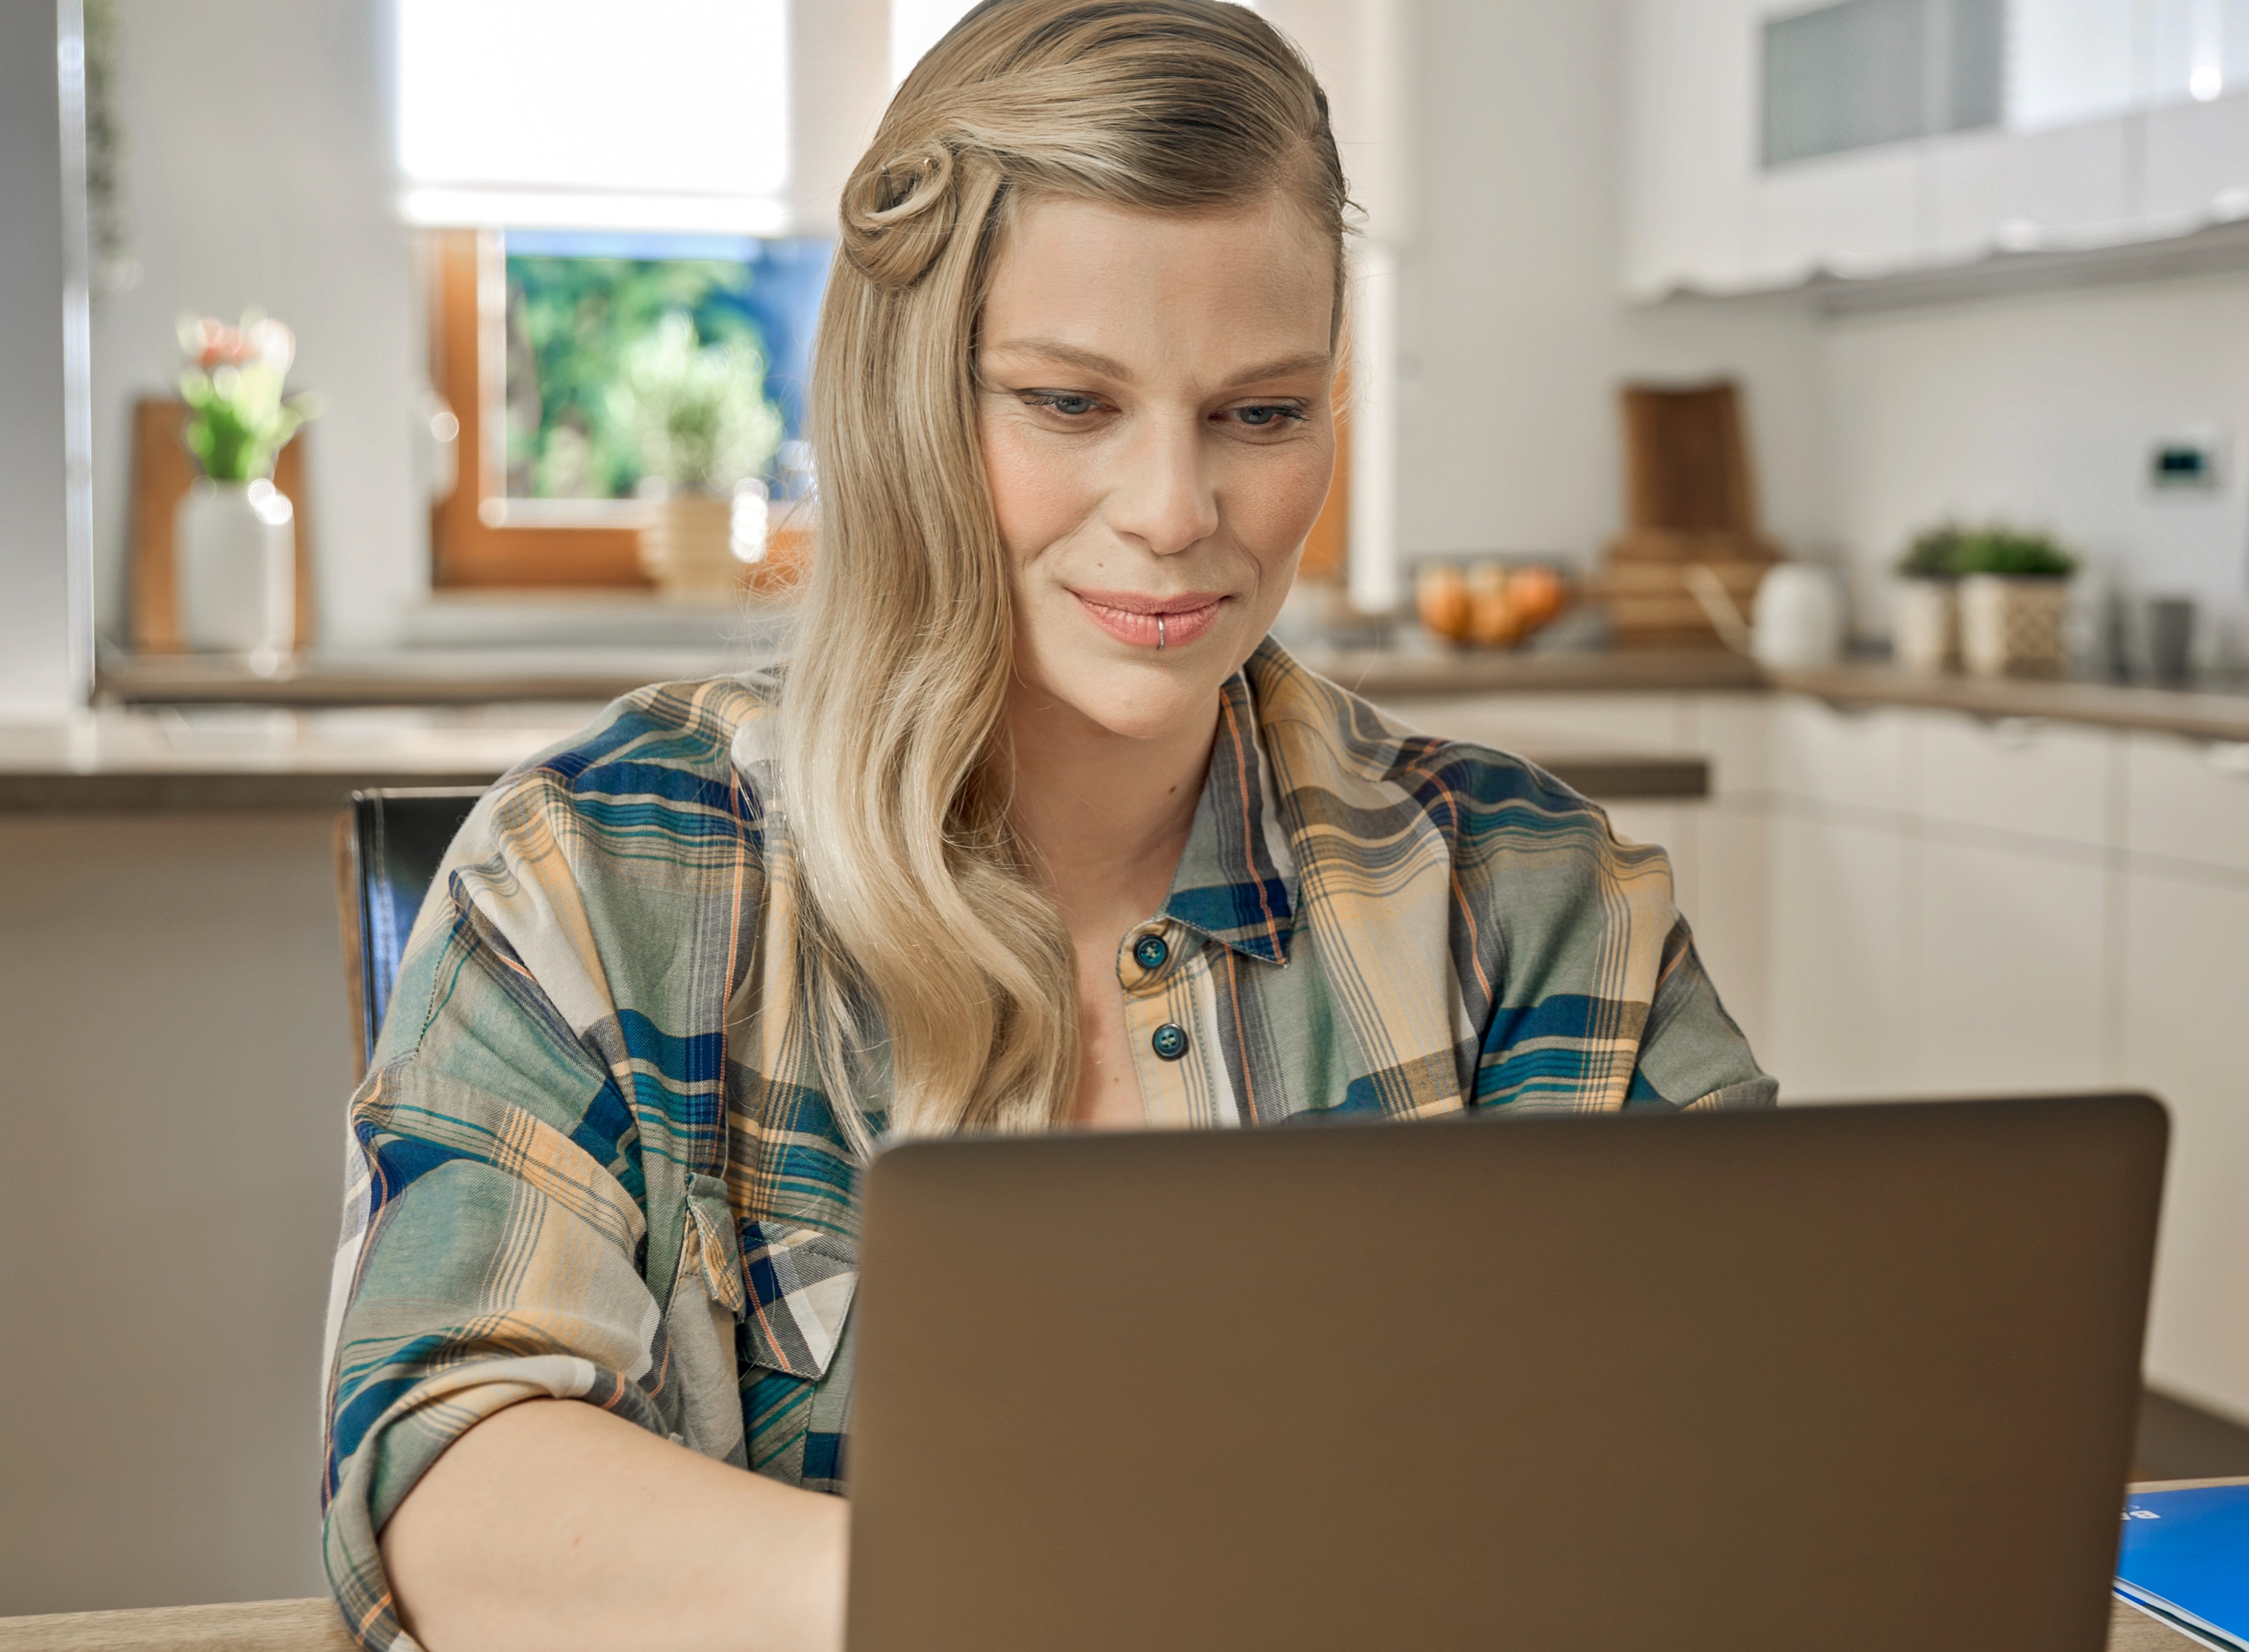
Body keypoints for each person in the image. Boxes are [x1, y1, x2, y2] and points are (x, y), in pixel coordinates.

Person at [316, 4, 1773, 1648]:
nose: (1173, 512)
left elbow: (1750, 1453)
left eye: (1261, 413)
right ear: (906, 402)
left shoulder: (1538, 902)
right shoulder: (592, 873)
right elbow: (440, 1466)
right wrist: (1038, 1593)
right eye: (1069, 404)